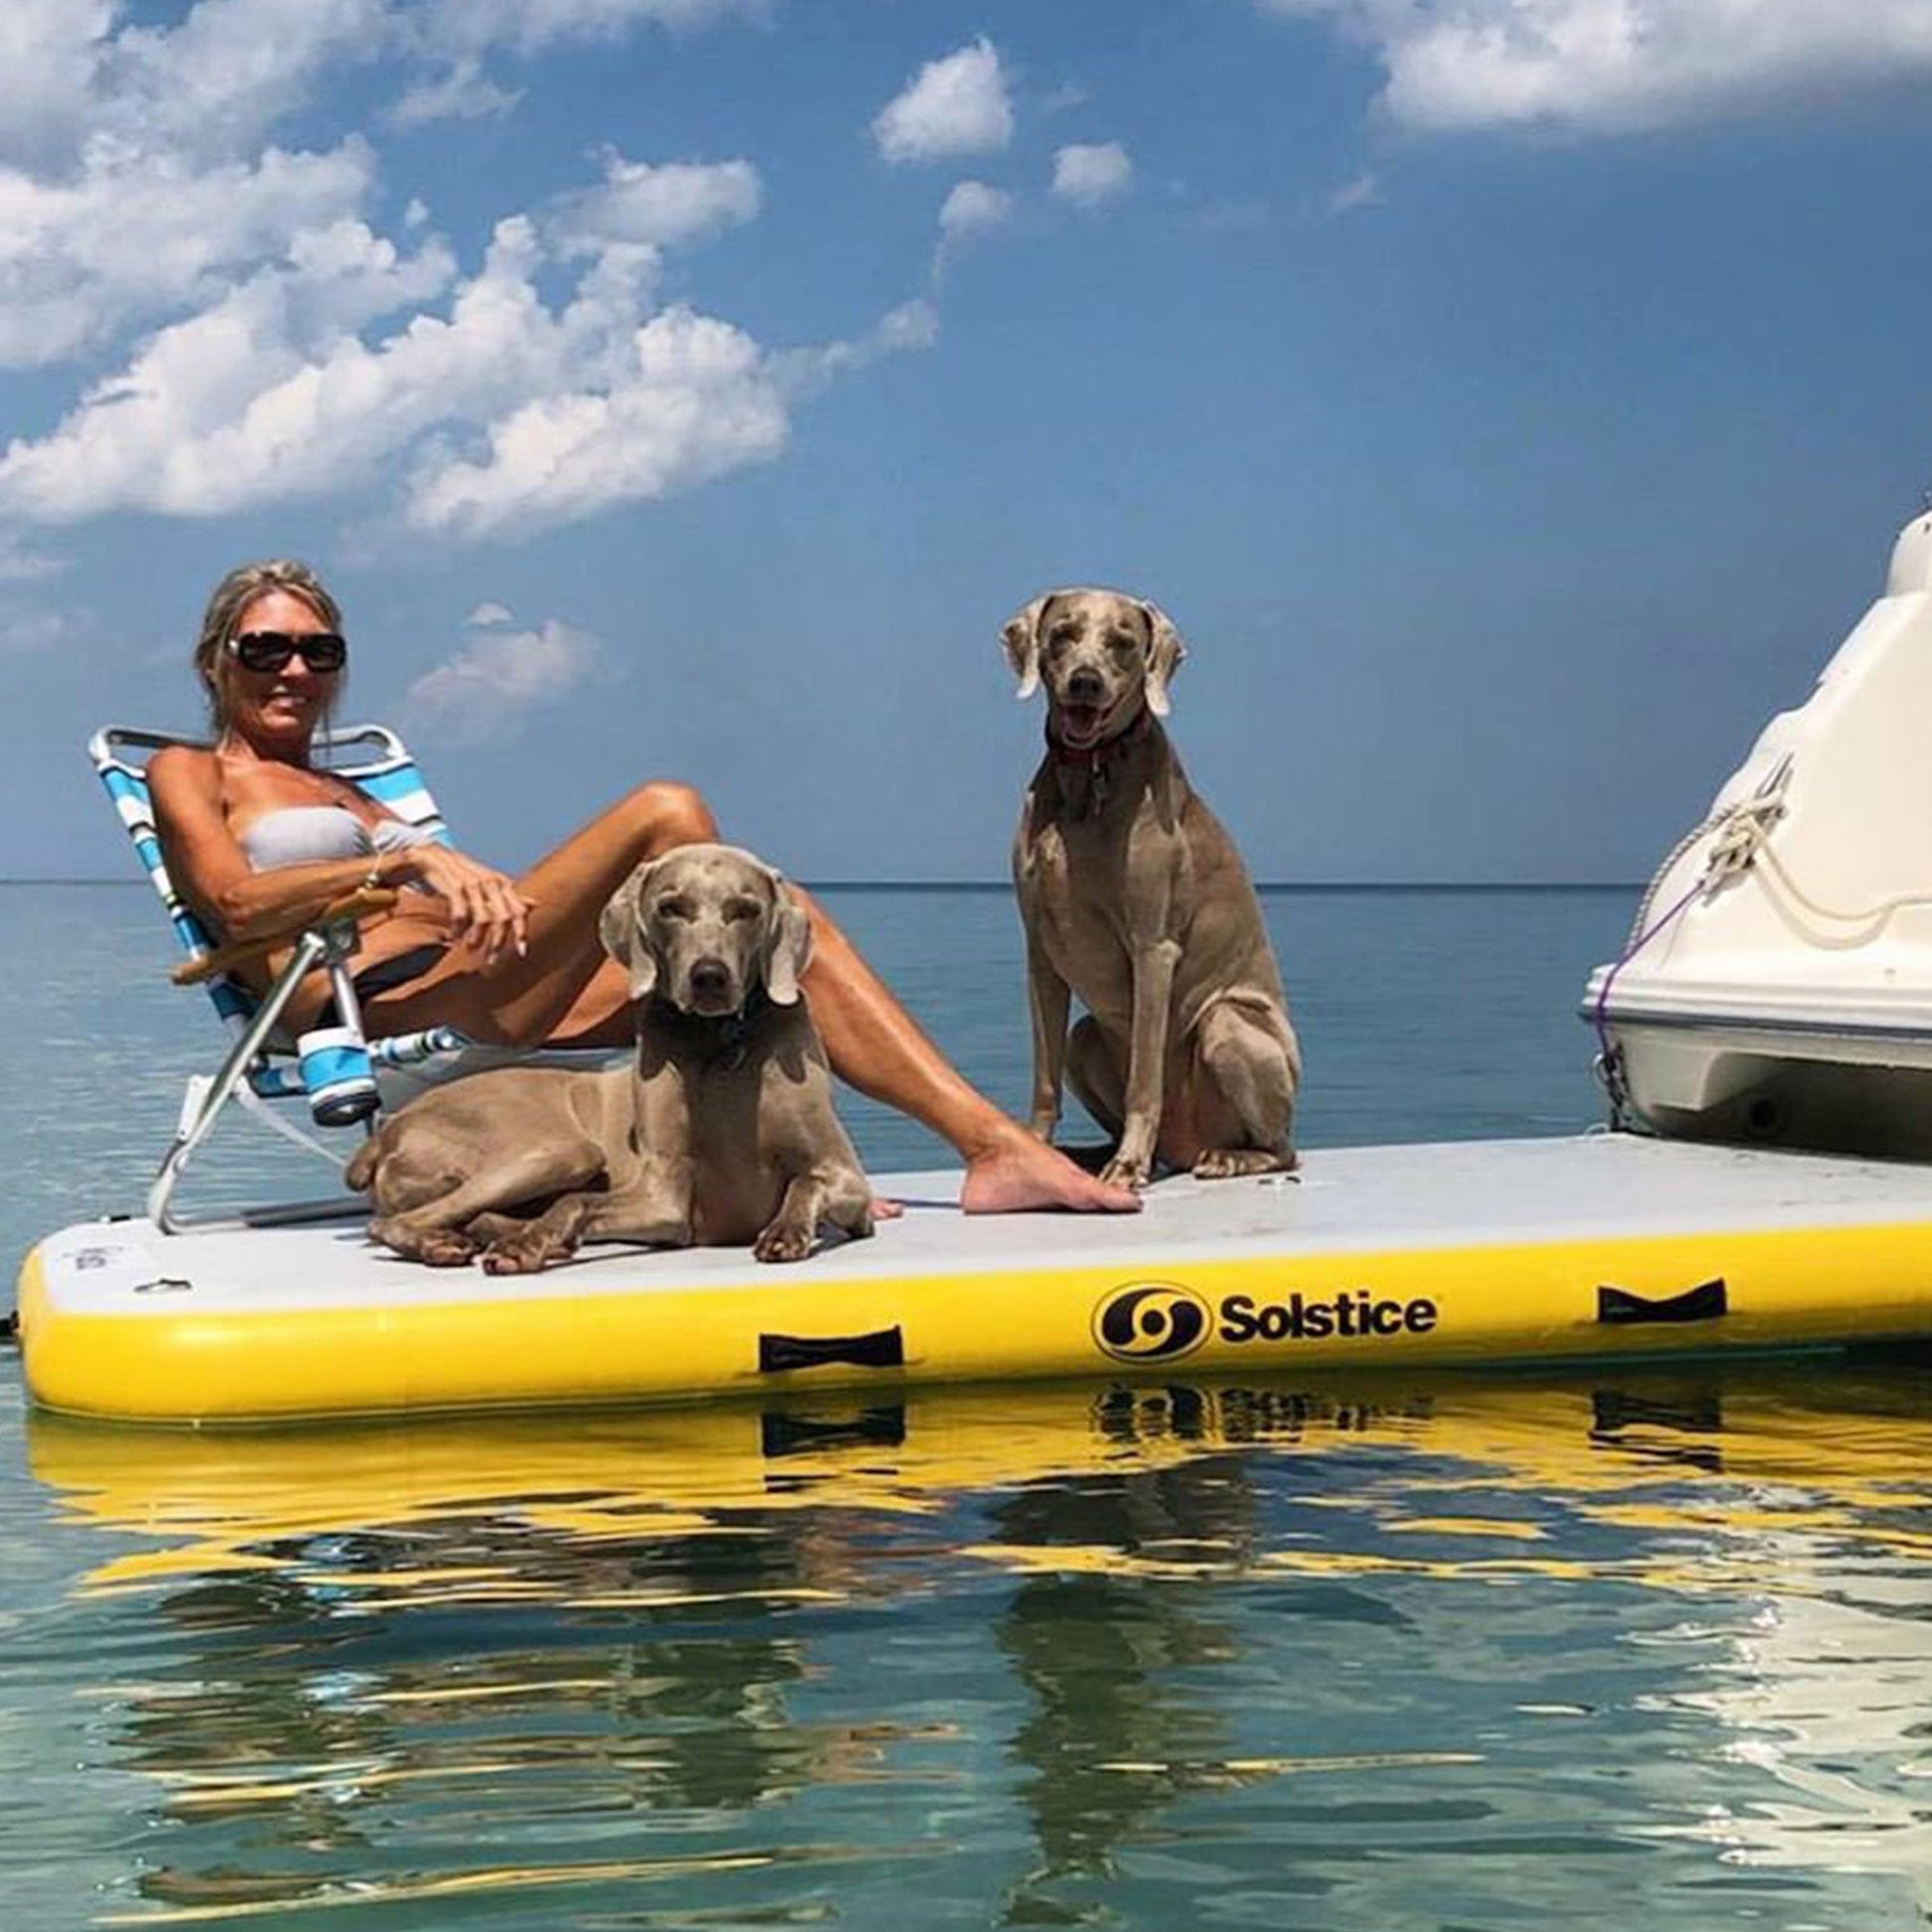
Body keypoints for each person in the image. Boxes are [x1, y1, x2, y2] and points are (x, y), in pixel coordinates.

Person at [149, 559, 1138, 1216]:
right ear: (214, 661)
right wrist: (402, 862)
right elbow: (233, 904)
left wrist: (453, 885)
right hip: (381, 1002)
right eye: (265, 648)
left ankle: (956, 1149)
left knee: (787, 937)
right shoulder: (191, 772)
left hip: (479, 969)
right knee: (668, 809)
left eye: (318, 650)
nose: (294, 668)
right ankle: (826, 1160)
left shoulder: (354, 788)